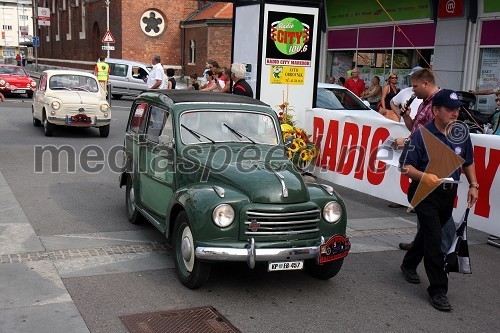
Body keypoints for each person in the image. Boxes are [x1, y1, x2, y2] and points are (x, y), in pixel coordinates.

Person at [399, 88, 478, 311]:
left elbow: (468, 161)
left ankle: (408, 264)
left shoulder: (461, 132)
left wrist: (473, 185)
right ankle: (438, 290)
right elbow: (405, 167)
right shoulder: (421, 134)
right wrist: (426, 176)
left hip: (447, 194)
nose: (455, 114)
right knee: (435, 240)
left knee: (427, 233)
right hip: (424, 192)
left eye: (457, 110)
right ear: (435, 110)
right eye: (450, 109)